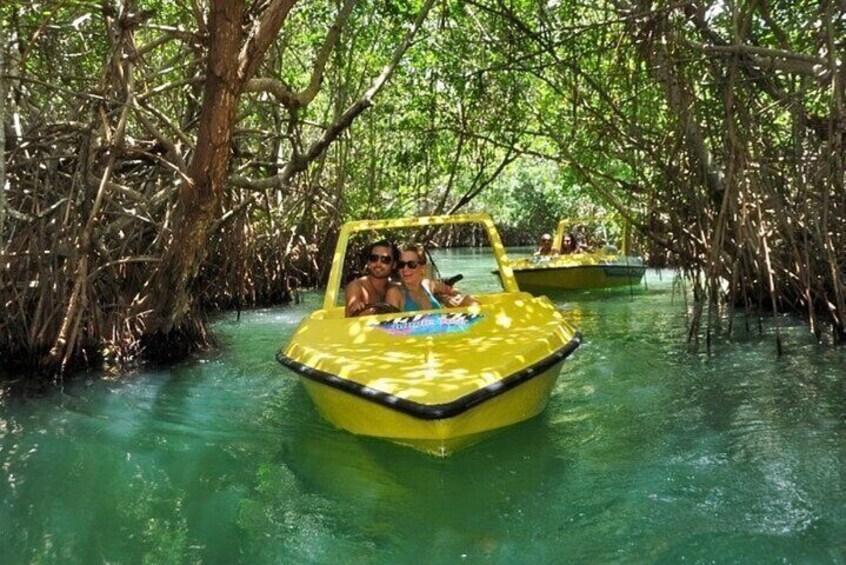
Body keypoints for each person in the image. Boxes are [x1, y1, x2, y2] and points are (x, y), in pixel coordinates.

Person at [386, 242, 476, 312]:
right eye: (401, 264)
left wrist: (455, 297)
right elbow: (393, 331)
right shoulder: (395, 293)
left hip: (441, 332)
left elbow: (449, 289)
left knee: (468, 300)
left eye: (412, 264)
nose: (405, 269)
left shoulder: (427, 285)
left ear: (423, 268)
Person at [344, 239, 398, 317]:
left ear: (394, 265)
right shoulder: (357, 286)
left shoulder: (395, 290)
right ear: (369, 262)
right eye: (374, 258)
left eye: (385, 259)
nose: (378, 263)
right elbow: (352, 311)